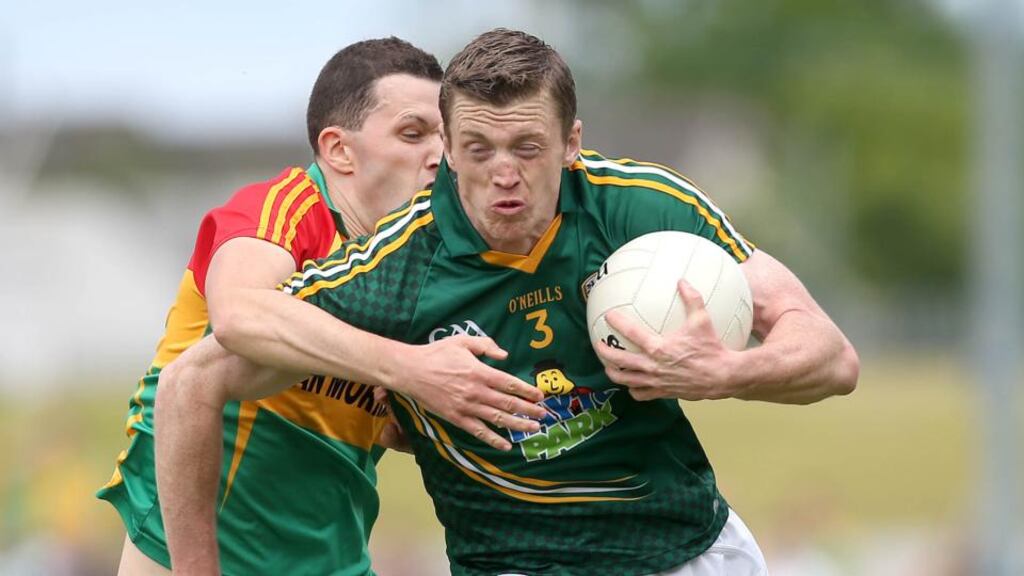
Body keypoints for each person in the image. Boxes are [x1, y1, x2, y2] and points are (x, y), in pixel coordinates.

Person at [158, 28, 859, 575]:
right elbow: (194, 379)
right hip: (516, 562)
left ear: (572, 143)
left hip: (691, 548)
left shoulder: (643, 209)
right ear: (451, 152)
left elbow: (831, 358)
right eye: (479, 148)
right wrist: (407, 370)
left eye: (527, 147)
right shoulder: (399, 267)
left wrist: (724, 373)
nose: (504, 175)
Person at [98, 37, 545, 576]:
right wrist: (410, 367)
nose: (437, 156)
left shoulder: (419, 260)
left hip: (330, 558)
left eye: (445, 138)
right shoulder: (287, 210)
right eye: (412, 133)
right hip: (191, 555)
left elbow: (351, 404)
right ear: (338, 150)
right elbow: (241, 315)